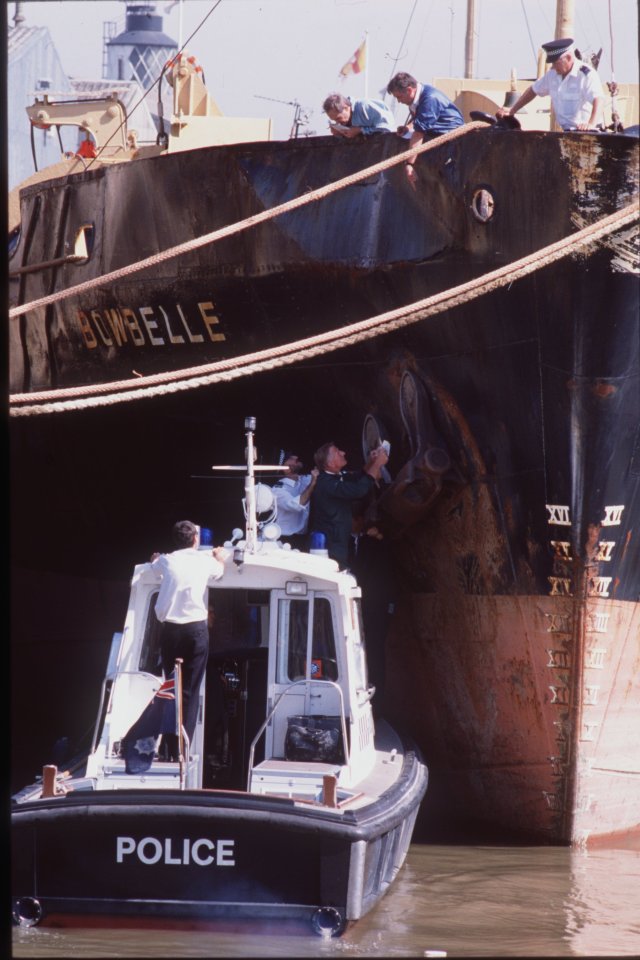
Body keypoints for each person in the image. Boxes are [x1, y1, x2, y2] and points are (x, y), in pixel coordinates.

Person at [150, 520, 228, 752]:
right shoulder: (205, 562)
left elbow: (155, 564)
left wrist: (155, 558)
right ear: (195, 539)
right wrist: (219, 557)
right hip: (195, 631)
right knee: (190, 691)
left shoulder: (166, 561)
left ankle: (167, 748)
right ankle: (182, 748)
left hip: (171, 631)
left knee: (171, 687)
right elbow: (219, 571)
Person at [309, 441, 389, 569]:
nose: (343, 452)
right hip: (331, 544)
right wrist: (378, 464)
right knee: (336, 573)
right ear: (330, 464)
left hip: (337, 538)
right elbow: (359, 490)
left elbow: (356, 479)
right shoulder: (327, 484)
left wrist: (372, 461)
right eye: (337, 452)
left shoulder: (332, 476)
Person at [496, 38, 604, 131]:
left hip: (589, 132)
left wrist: (590, 124)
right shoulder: (553, 75)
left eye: (556, 63)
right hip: (568, 132)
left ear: (569, 58)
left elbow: (598, 99)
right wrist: (513, 110)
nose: (553, 67)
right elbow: (533, 90)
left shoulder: (585, 74)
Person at [386, 72, 464, 179]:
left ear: (409, 90)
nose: (399, 101)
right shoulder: (416, 97)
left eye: (399, 97)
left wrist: (409, 164)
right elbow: (419, 118)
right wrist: (408, 127)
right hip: (433, 133)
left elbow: (418, 134)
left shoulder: (430, 99)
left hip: (451, 138)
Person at [271, 450, 319, 547]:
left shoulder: (304, 479)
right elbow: (296, 505)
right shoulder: (278, 489)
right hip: (286, 540)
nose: (296, 457)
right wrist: (312, 484)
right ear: (285, 469)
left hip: (303, 538)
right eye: (290, 458)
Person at [322, 92, 395, 138]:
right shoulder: (346, 118)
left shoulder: (364, 107)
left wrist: (361, 130)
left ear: (346, 108)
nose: (338, 122)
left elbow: (387, 128)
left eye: (338, 118)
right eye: (334, 120)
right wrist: (340, 133)